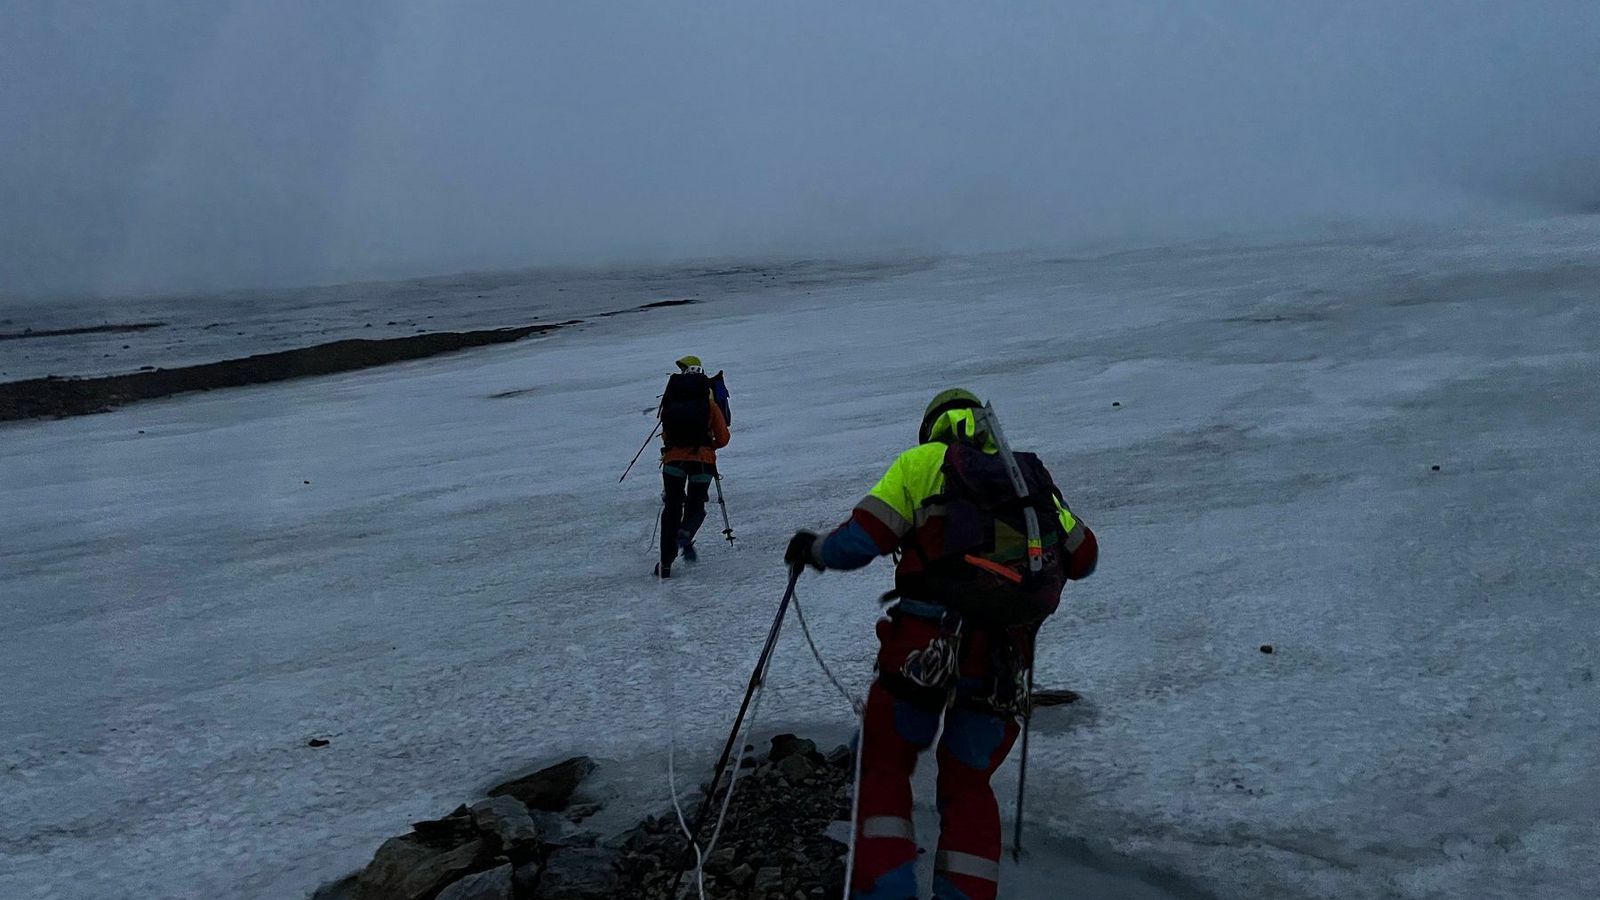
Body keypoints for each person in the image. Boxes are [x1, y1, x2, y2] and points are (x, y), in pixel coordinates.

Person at [784, 389, 1098, 900]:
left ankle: (886, 892)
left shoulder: (923, 463)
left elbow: (860, 542)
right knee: (968, 783)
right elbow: (1084, 558)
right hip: (1001, 663)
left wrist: (814, 549)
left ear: (932, 427)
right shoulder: (1027, 477)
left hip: (923, 646)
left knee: (884, 765)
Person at [655, 356, 730, 578]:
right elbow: (723, 438)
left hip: (673, 461)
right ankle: (686, 532)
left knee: (672, 508)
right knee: (696, 505)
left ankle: (665, 564)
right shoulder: (709, 405)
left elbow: (666, 435)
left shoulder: (671, 402)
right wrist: (709, 445)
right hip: (702, 461)